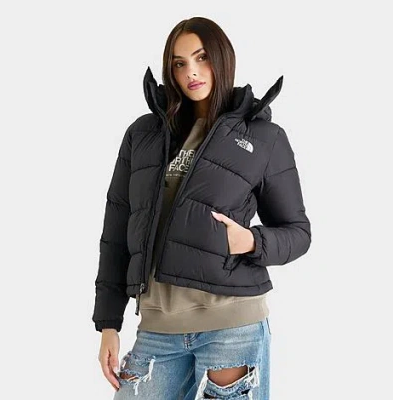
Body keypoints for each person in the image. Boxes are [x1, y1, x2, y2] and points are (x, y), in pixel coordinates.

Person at [92, 16, 311, 400]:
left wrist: (251, 241)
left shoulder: (264, 138)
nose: (191, 72)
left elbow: (297, 233)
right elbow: (116, 231)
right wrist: (108, 323)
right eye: (179, 63)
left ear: (222, 58)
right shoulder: (143, 134)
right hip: (157, 330)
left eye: (201, 57)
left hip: (232, 327)